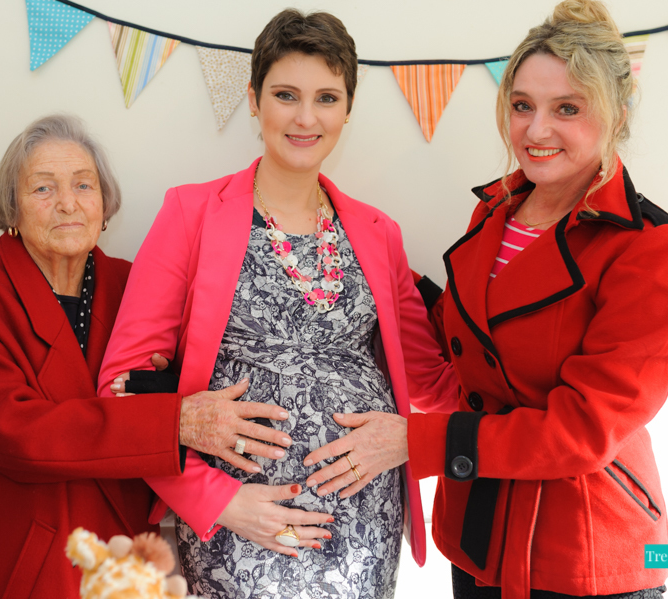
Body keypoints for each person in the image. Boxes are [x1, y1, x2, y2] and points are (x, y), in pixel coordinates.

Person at [306, 1, 668, 597]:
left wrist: (415, 442)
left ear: (617, 113)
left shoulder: (651, 249)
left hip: (583, 551)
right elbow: (464, 339)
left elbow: (583, 429)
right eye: (522, 106)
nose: (536, 131)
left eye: (567, 108)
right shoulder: (495, 213)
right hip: (477, 535)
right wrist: (369, 265)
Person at [98, 9, 458, 599]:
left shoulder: (378, 233)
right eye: (286, 95)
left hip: (365, 528)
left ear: (348, 109)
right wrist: (220, 501)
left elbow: (432, 380)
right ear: (254, 99)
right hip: (241, 525)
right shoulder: (190, 214)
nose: (306, 117)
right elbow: (120, 389)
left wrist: (516, 383)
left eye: (327, 98)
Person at [0, 115, 298, 599]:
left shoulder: (139, 286)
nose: (67, 203)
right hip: (16, 560)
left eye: (83, 185)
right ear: (12, 208)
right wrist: (169, 421)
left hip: (120, 559)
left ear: (104, 204)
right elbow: (16, 434)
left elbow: (204, 383)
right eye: (43, 188)